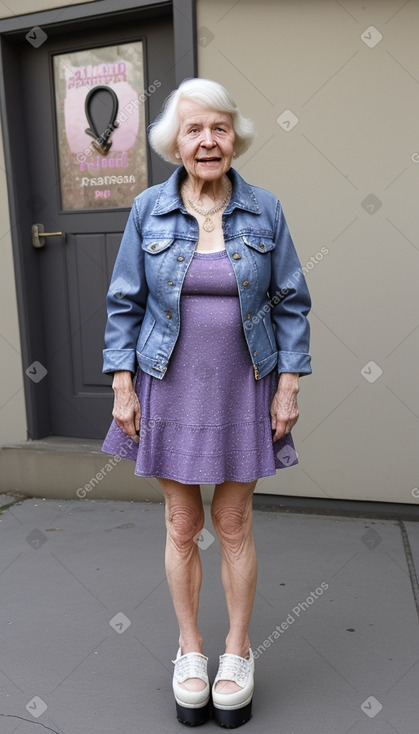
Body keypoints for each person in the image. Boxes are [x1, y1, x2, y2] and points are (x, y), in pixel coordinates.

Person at [101, 77, 311, 728]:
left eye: (218, 128)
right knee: (179, 524)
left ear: (233, 137)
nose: (207, 141)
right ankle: (190, 650)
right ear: (175, 143)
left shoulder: (265, 210)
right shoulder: (147, 212)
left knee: (235, 524)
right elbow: (124, 305)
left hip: (245, 380)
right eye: (194, 130)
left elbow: (291, 302)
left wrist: (288, 382)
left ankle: (237, 652)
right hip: (167, 381)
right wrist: (121, 382)